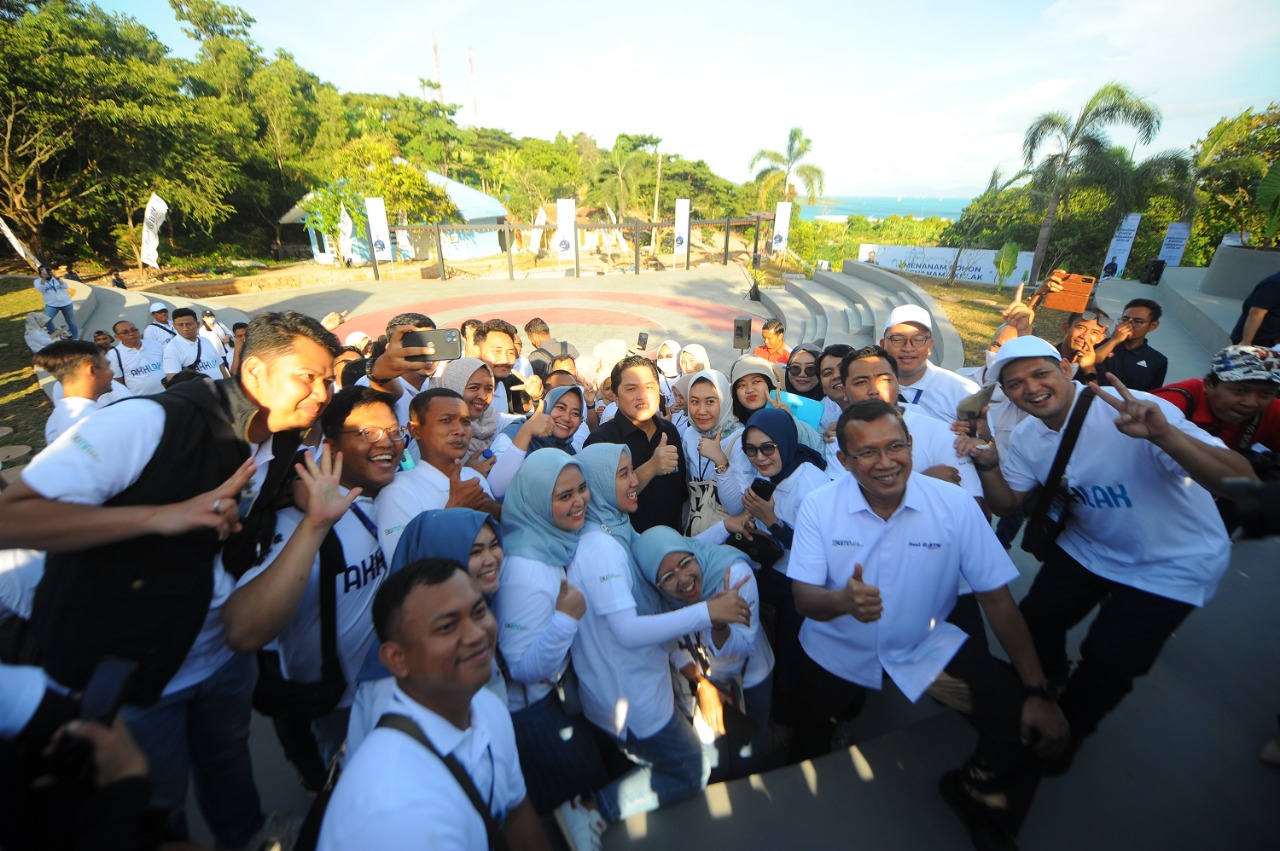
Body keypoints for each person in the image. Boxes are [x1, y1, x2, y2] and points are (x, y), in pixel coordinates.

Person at [0, 310, 342, 849]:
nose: (322, 392)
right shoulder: (147, 422)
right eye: (309, 376)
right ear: (254, 373)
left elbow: (255, 501)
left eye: (329, 378)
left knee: (230, 767)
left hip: (221, 660)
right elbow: (13, 516)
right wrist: (163, 516)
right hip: (129, 673)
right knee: (153, 803)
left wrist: (302, 497)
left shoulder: (279, 439)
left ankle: (248, 836)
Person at [960, 335, 1254, 768]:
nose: (1031, 388)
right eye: (1015, 383)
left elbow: (1240, 479)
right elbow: (1009, 505)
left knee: (1107, 661)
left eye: (1040, 373)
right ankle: (1050, 678)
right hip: (1089, 547)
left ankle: (1064, 739)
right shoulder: (1026, 436)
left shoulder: (1132, 407)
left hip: (1172, 562)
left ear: (1065, 368)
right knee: (1037, 620)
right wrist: (987, 465)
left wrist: (1164, 436)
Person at [789, 399, 1070, 846]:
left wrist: (1036, 689)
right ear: (843, 460)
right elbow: (804, 599)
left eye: (895, 446)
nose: (886, 463)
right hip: (835, 652)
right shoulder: (819, 507)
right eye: (867, 453)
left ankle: (977, 794)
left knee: (1025, 725)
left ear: (912, 445)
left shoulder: (954, 505)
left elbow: (997, 600)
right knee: (803, 743)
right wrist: (842, 600)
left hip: (925, 648)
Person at [222, 387, 404, 789]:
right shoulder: (299, 519)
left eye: (393, 431)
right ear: (330, 442)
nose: (387, 443)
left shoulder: (391, 497)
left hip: (390, 686)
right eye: (368, 433)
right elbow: (242, 630)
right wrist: (316, 525)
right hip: (336, 705)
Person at [554, 444, 734, 849]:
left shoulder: (616, 532)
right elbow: (629, 631)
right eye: (621, 475)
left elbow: (649, 619)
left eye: (630, 470)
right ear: (598, 486)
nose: (635, 480)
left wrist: (694, 676)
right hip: (630, 699)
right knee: (692, 770)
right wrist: (707, 612)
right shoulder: (601, 550)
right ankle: (593, 809)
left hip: (644, 689)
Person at [317, 560, 551, 850]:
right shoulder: (392, 807)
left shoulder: (487, 708)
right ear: (396, 658)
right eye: (447, 626)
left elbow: (516, 813)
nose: (477, 634)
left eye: (479, 612)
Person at [494, 450, 610, 816]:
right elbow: (520, 667)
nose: (579, 502)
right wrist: (565, 619)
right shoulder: (526, 571)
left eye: (582, 489)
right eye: (564, 496)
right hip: (538, 713)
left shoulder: (547, 540)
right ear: (536, 501)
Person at [346, 507, 508, 755]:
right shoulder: (395, 685)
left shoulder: (484, 608)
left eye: (494, 545)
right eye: (475, 551)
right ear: (440, 559)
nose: (491, 558)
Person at [634, 525, 774, 779]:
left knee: (748, 759)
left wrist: (718, 624)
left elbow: (738, 655)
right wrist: (702, 685)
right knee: (715, 768)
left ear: (693, 553)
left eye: (686, 563)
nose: (684, 579)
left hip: (749, 678)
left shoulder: (733, 576)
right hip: (698, 684)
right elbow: (671, 645)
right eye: (668, 577)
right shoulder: (656, 597)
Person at [374, 388, 498, 564]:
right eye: (446, 420)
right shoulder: (397, 492)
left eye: (466, 422)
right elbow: (404, 568)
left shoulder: (474, 477)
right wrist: (455, 510)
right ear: (415, 431)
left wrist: (496, 512)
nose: (459, 431)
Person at [584, 355, 688, 532]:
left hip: (670, 546)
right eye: (631, 389)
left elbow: (679, 494)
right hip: (625, 548)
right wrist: (652, 467)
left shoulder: (669, 432)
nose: (642, 396)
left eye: (649, 387)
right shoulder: (600, 442)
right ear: (615, 396)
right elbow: (599, 504)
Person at [1153, 345, 1280, 454]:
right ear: (1209, 385)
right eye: (1240, 391)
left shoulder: (1273, 410)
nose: (1251, 402)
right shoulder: (1168, 404)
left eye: (1265, 394)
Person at [879, 304, 979, 423]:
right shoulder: (869, 388)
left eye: (918, 339)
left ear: (930, 346)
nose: (908, 348)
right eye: (898, 339)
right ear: (883, 345)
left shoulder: (962, 391)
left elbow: (980, 436)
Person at [488, 385, 586, 499]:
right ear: (545, 407)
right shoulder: (514, 433)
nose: (567, 418)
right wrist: (526, 432)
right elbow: (496, 489)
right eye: (561, 408)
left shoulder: (570, 453)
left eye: (575, 413)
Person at [33, 340, 117, 444]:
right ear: (92, 370)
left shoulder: (57, 418)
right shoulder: (94, 422)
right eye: (108, 366)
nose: (112, 373)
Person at [476, 319, 542, 414]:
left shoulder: (509, 386)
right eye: (497, 351)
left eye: (511, 353)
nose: (505, 359)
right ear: (477, 351)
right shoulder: (463, 392)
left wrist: (536, 398)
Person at [163, 307, 230, 383]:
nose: (185, 328)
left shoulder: (205, 341)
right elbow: (172, 379)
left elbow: (220, 366)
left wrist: (228, 386)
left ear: (197, 324)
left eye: (189, 324)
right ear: (174, 326)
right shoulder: (172, 348)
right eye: (180, 325)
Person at [108, 319, 166, 396]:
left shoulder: (155, 345)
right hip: (141, 400)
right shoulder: (113, 355)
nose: (131, 333)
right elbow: (118, 383)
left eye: (134, 330)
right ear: (117, 337)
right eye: (125, 332)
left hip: (167, 393)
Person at [1230, 269, 1280, 347]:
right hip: (1255, 339)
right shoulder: (1274, 283)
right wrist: (1246, 343)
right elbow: (1256, 313)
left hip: (1271, 338)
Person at [33, 265, 78, 340]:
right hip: (52, 305)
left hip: (66, 303)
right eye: (44, 272)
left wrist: (57, 278)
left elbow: (65, 286)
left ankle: (76, 338)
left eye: (49, 271)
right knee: (46, 320)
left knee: (71, 321)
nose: (48, 273)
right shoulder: (37, 281)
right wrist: (43, 278)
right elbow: (41, 289)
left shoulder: (56, 279)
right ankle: (55, 336)